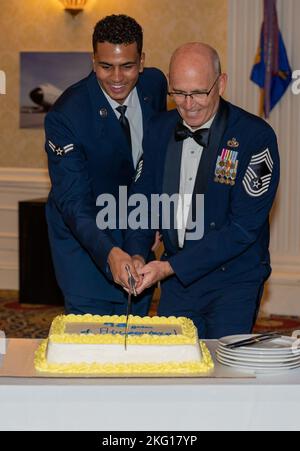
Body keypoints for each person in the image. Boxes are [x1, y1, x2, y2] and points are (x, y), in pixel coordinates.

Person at [119, 42, 280, 338]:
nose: (188, 103)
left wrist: (168, 267)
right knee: (174, 371)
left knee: (223, 373)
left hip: (234, 281)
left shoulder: (254, 137)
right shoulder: (160, 129)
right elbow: (142, 201)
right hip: (178, 284)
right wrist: (138, 253)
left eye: (198, 93)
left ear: (221, 83)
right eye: (178, 93)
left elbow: (243, 229)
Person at [44, 14, 167, 315]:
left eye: (127, 66)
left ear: (141, 62)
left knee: (133, 338)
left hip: (136, 232)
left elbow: (153, 161)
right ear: (93, 61)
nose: (116, 78)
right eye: (105, 66)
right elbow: (73, 202)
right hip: (85, 245)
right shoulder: (66, 115)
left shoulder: (155, 85)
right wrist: (109, 252)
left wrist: (152, 225)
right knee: (92, 346)